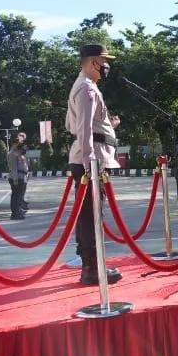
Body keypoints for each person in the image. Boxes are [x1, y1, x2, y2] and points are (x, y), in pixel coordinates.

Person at [65, 44, 122, 285]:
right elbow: (82, 128)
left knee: (90, 214)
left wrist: (109, 128)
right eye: (103, 60)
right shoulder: (86, 89)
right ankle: (91, 268)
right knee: (91, 215)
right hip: (92, 159)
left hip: (94, 157)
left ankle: (92, 265)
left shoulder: (87, 87)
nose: (107, 65)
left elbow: (79, 125)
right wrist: (91, 161)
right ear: (92, 62)